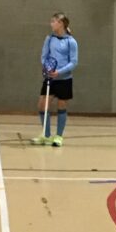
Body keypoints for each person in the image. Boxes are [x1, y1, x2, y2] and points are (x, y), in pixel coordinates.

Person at [30, 13, 78, 147]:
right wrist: (47, 68)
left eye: (53, 21)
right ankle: (46, 135)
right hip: (50, 78)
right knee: (42, 105)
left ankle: (58, 136)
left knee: (61, 106)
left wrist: (59, 72)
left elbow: (74, 62)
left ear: (61, 23)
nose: (51, 24)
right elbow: (44, 56)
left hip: (64, 79)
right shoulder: (49, 39)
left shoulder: (71, 41)